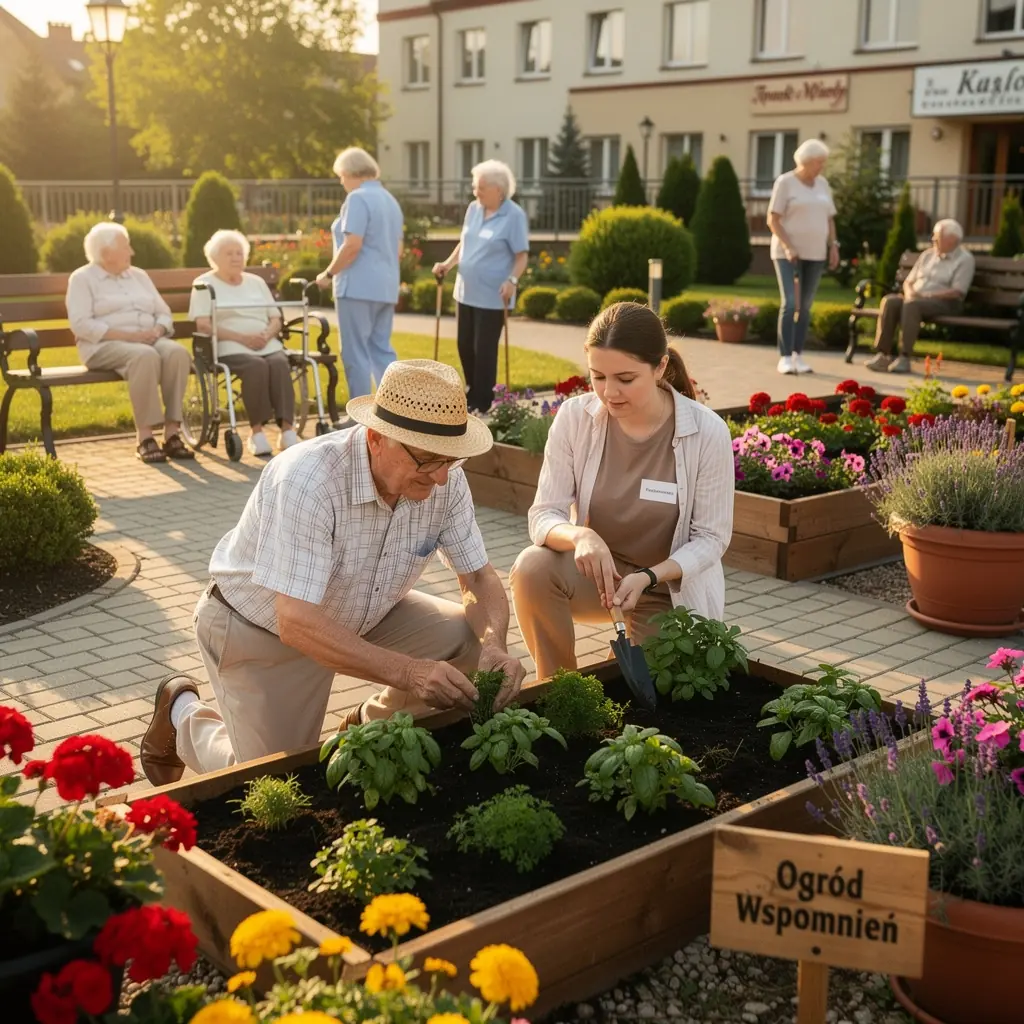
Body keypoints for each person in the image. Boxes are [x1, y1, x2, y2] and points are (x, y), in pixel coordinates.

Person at [140, 358, 527, 785]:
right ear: (377, 438)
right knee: (274, 783)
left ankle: (367, 725)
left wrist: (496, 643)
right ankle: (182, 717)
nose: (439, 478)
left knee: (463, 638)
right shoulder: (308, 479)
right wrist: (408, 672)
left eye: (450, 461)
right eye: (426, 460)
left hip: (362, 609)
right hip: (260, 628)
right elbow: (297, 621)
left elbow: (477, 578)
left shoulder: (444, 477)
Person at [509, 303, 734, 682]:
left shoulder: (708, 432)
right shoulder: (574, 418)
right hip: (599, 579)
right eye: (597, 376)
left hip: (664, 589)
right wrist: (581, 536)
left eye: (626, 379)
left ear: (660, 367)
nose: (608, 392)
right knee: (532, 567)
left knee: (651, 695)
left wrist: (647, 576)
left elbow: (712, 539)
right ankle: (559, 688)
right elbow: (543, 514)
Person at [66, 223, 194, 464]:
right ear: (105, 253)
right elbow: (81, 324)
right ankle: (145, 437)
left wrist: (158, 329)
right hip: (103, 346)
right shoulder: (83, 279)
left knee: (177, 353)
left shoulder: (139, 276)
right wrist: (131, 337)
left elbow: (163, 312)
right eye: (126, 247)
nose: (132, 252)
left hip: (149, 339)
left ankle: (172, 433)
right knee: (143, 356)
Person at [432, 160, 529, 414]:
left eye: (481, 187)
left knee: (484, 349)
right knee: (464, 344)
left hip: (493, 296)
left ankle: (483, 401)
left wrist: (512, 280)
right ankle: (472, 390)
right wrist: (448, 264)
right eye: (475, 186)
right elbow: (464, 243)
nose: (476, 191)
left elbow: (522, 256)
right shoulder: (474, 209)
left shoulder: (514, 216)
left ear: (499, 189)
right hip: (465, 291)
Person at [190, 230, 297, 457]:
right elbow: (204, 326)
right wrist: (243, 338)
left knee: (279, 362)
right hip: (230, 345)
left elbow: (276, 318)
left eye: (240, 253)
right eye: (229, 253)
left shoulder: (256, 282)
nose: (236, 257)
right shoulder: (204, 284)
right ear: (215, 258)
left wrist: (267, 335)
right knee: (256, 366)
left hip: (266, 342)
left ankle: (287, 430)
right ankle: (256, 433)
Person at [316, 147, 403, 402]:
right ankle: (394, 410)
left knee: (355, 353)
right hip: (385, 286)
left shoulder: (357, 198)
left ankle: (359, 418)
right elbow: (398, 249)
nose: (342, 182)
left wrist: (328, 273)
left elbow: (353, 244)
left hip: (356, 286)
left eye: (341, 176)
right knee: (381, 350)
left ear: (351, 172)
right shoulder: (390, 200)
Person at [767, 139, 840, 376]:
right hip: (786, 253)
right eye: (819, 162)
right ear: (806, 161)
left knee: (806, 306)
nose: (822, 167)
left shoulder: (823, 184)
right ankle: (785, 356)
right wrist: (788, 247)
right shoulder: (785, 182)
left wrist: (834, 246)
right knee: (790, 303)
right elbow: (773, 219)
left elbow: (829, 219)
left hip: (816, 253)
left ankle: (798, 355)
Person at [866, 219, 975, 374]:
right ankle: (883, 355)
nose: (933, 240)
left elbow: (957, 291)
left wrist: (924, 296)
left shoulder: (965, 259)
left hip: (945, 302)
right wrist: (910, 293)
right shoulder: (927, 255)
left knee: (912, 305)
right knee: (890, 301)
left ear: (952, 239)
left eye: (937, 236)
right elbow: (909, 281)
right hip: (915, 298)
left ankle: (904, 358)